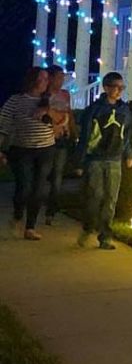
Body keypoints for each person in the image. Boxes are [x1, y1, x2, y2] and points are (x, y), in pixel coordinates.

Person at [76, 72, 132, 250]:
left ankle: (105, 236)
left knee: (111, 199)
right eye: (116, 87)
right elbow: (85, 137)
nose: (119, 91)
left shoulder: (124, 110)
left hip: (115, 158)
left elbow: (127, 135)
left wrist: (129, 154)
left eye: (121, 88)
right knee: (95, 196)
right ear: (106, 87)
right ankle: (88, 227)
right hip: (95, 158)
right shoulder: (94, 110)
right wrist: (79, 161)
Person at [0, 67, 56, 240]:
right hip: (22, 149)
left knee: (39, 189)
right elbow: (4, 127)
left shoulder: (49, 101)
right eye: (42, 78)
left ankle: (30, 227)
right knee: (24, 186)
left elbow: (62, 119)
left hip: (46, 149)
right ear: (32, 80)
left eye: (47, 79)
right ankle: (18, 215)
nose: (46, 82)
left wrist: (47, 111)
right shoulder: (16, 101)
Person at [44, 64, 76, 225]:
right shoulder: (44, 95)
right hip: (46, 139)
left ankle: (51, 210)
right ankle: (33, 204)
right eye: (59, 77)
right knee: (43, 174)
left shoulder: (65, 95)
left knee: (58, 175)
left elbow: (69, 113)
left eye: (63, 77)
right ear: (50, 78)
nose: (62, 80)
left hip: (62, 139)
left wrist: (73, 131)